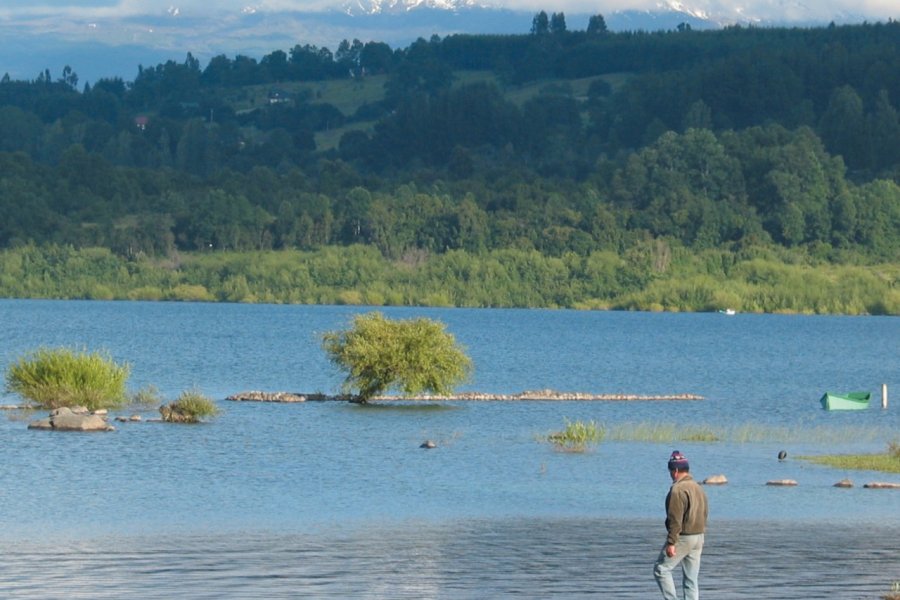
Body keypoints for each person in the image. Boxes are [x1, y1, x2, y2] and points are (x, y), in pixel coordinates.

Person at [653, 450, 709, 600]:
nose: (670, 474)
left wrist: (671, 542)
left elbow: (675, 519)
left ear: (676, 470)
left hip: (684, 537)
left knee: (661, 569)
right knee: (691, 579)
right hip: (699, 537)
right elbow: (705, 512)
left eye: (671, 470)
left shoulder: (677, 489)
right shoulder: (698, 487)